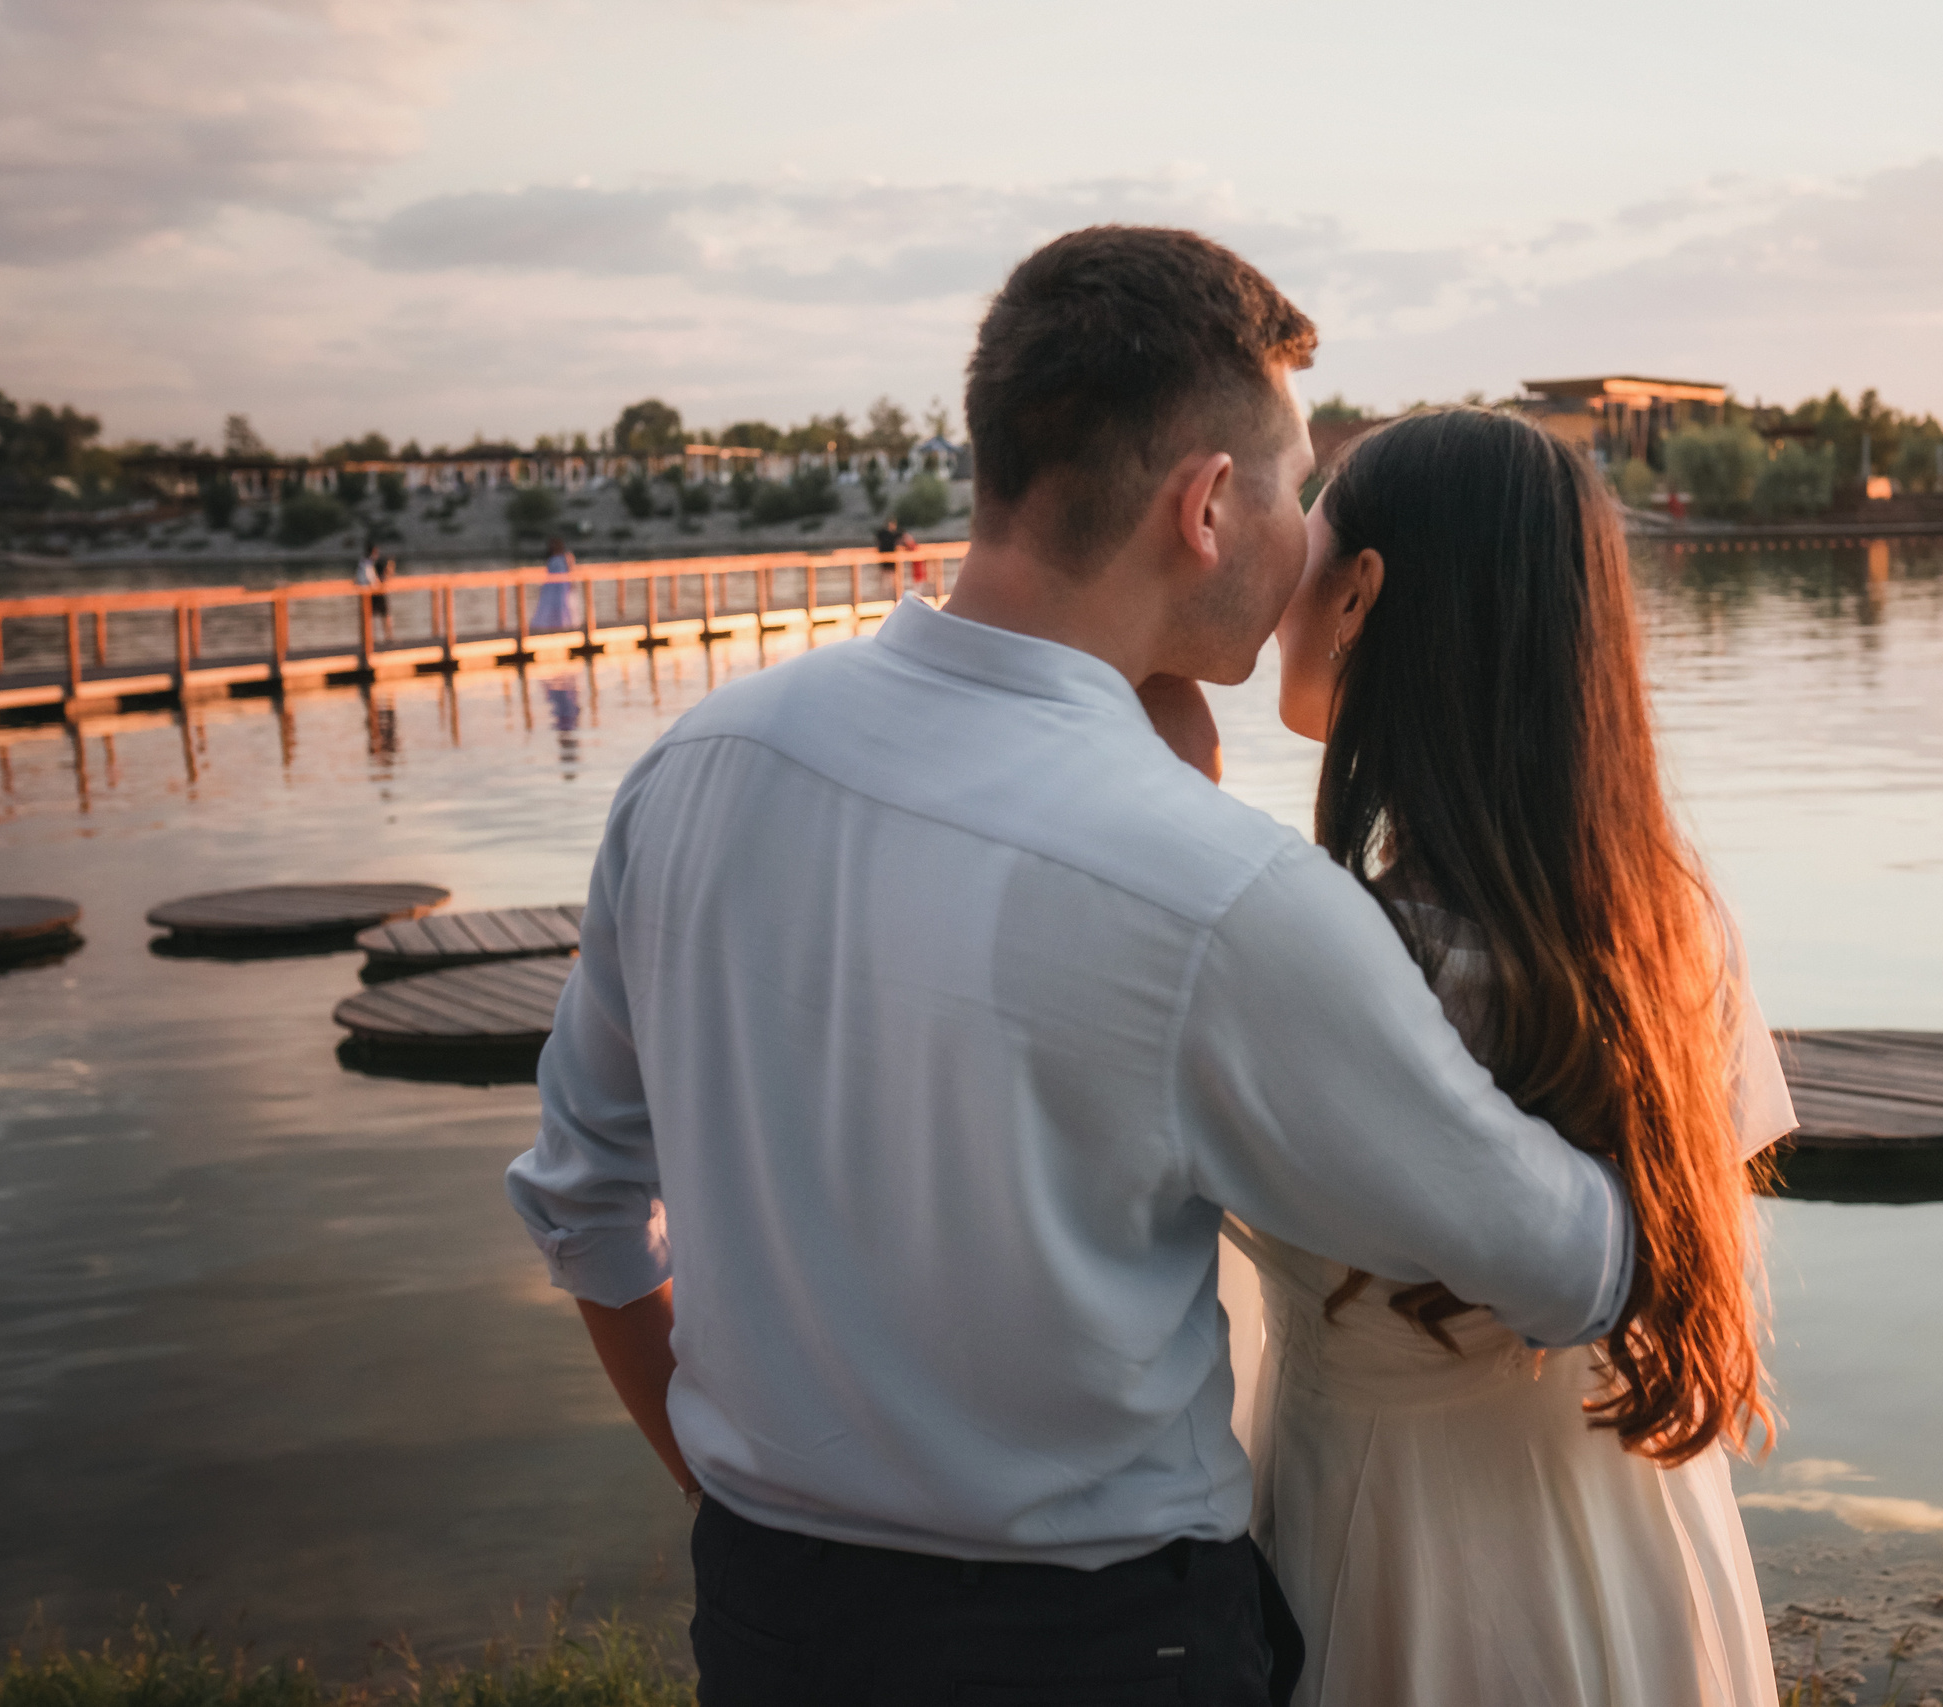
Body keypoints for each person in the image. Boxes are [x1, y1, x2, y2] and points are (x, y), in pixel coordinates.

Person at [505, 228, 1635, 1706]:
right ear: (1210, 505)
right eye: (1296, 484)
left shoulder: (697, 764)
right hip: (1100, 1647)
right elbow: (1572, 1265)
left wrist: (743, 1500)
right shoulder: (1225, 896)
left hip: (769, 1619)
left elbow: (585, 1203)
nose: (1308, 536)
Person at [1232, 408, 1794, 1706]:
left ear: (1362, 590)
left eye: (1308, 531)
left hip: (1403, 1557)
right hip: (1646, 1540)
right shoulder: (1669, 921)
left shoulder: (1330, 954)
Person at [533, 535, 575, 632]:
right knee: (555, 606)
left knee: (562, 605)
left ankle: (562, 624)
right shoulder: (557, 559)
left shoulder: (563, 558)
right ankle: (557, 625)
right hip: (554, 587)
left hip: (560, 586)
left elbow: (569, 572)